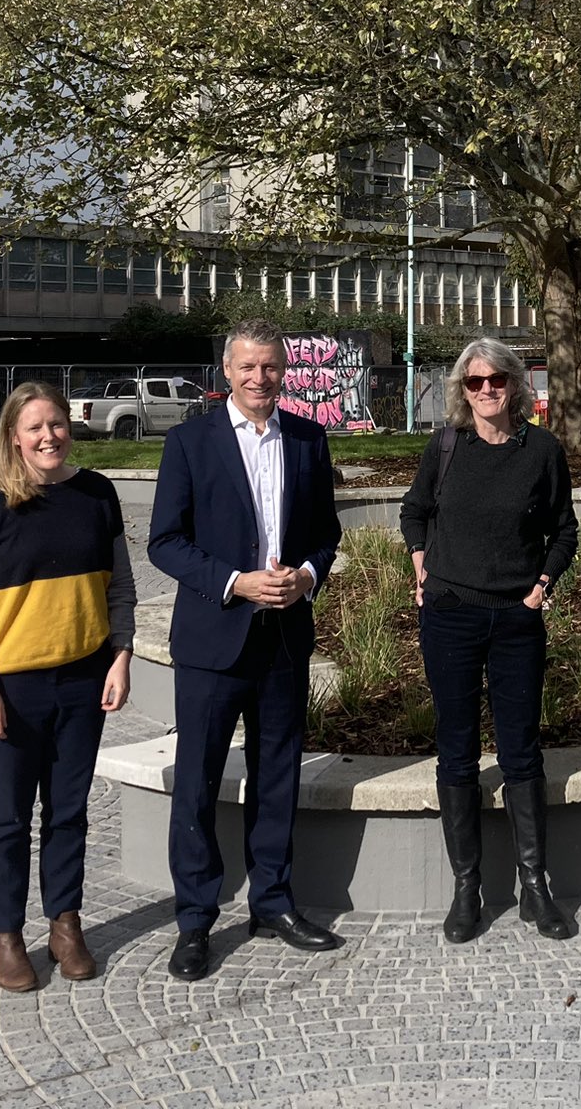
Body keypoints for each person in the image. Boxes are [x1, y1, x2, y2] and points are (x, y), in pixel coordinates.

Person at [149, 318, 344, 981]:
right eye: (248, 367)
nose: (260, 379)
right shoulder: (189, 442)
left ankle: (273, 902)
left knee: (278, 779)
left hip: (285, 639)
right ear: (226, 372)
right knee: (198, 787)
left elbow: (325, 534)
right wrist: (235, 583)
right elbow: (165, 542)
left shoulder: (310, 440)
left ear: (283, 372)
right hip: (214, 640)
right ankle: (196, 920)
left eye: (271, 368)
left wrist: (307, 578)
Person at [0, 381, 137, 992]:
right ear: (13, 437)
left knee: (69, 813)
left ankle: (65, 923)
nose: (48, 436)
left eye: (56, 423)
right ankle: (6, 934)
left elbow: (121, 588)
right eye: (35, 428)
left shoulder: (96, 493)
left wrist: (121, 656)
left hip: (84, 680)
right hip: (10, 688)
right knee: (8, 819)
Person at [399, 337, 580, 944]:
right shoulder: (446, 446)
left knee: (521, 748)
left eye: (496, 380)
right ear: (462, 390)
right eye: (474, 383)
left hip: (516, 618)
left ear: (516, 385)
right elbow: (414, 511)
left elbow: (564, 529)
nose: (485, 391)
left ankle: (535, 885)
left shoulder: (542, 451)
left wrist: (543, 584)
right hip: (450, 615)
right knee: (456, 748)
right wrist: (421, 564)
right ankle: (467, 887)